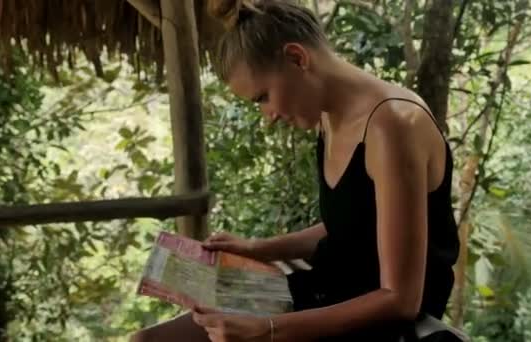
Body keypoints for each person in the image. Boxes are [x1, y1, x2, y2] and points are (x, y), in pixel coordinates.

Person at [131, 0, 460, 341]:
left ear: (297, 58)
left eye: (264, 97)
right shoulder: (330, 118)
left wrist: (269, 330)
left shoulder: (392, 125)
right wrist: (260, 248)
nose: (268, 115)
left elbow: (400, 300)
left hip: (373, 321)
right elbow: (354, 223)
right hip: (325, 292)